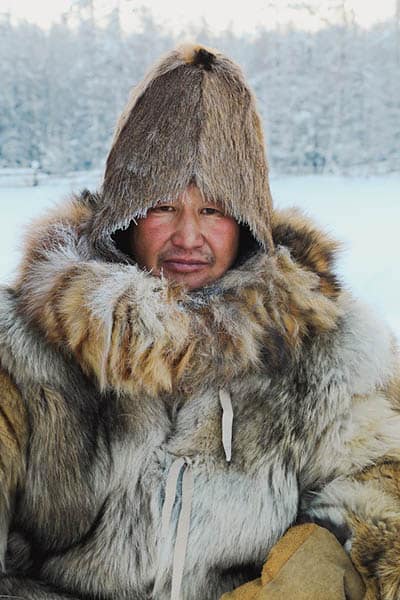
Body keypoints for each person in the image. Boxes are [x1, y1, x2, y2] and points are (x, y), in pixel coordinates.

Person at [0, 43, 399, 600]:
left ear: (247, 222)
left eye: (212, 209)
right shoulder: (21, 345)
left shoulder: (327, 348)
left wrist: (324, 575)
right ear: (124, 217)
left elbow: (383, 497)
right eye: (163, 206)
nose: (188, 238)